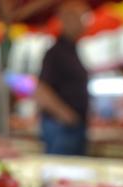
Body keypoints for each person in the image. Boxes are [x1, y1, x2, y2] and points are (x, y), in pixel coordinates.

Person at [35, 1, 89, 155]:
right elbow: (41, 91)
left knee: (72, 175)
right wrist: (67, 116)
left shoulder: (72, 50)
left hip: (71, 127)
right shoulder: (56, 52)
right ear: (67, 19)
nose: (84, 24)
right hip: (62, 128)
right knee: (61, 173)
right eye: (81, 18)